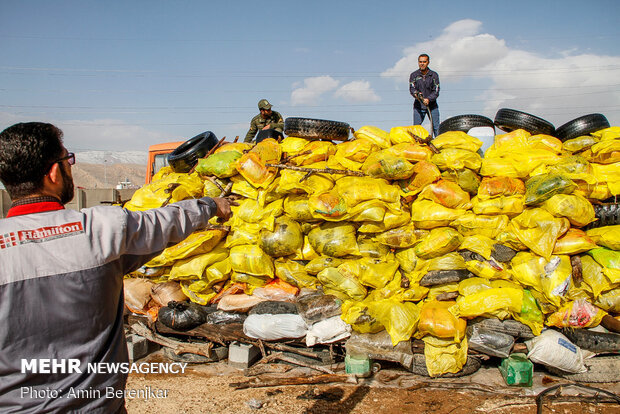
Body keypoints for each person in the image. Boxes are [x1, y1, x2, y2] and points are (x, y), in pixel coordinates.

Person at [0, 122, 233, 413]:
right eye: (68, 159)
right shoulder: (100, 230)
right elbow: (165, 223)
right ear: (54, 172)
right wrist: (211, 206)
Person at [409, 53, 440, 138]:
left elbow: (436, 91)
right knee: (415, 129)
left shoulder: (434, 75)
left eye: (424, 62)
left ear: (428, 62)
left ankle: (439, 146)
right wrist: (416, 94)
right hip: (418, 107)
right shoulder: (414, 75)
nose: (422, 63)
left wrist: (429, 99)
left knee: (436, 128)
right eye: (420, 62)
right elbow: (412, 88)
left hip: (432, 106)